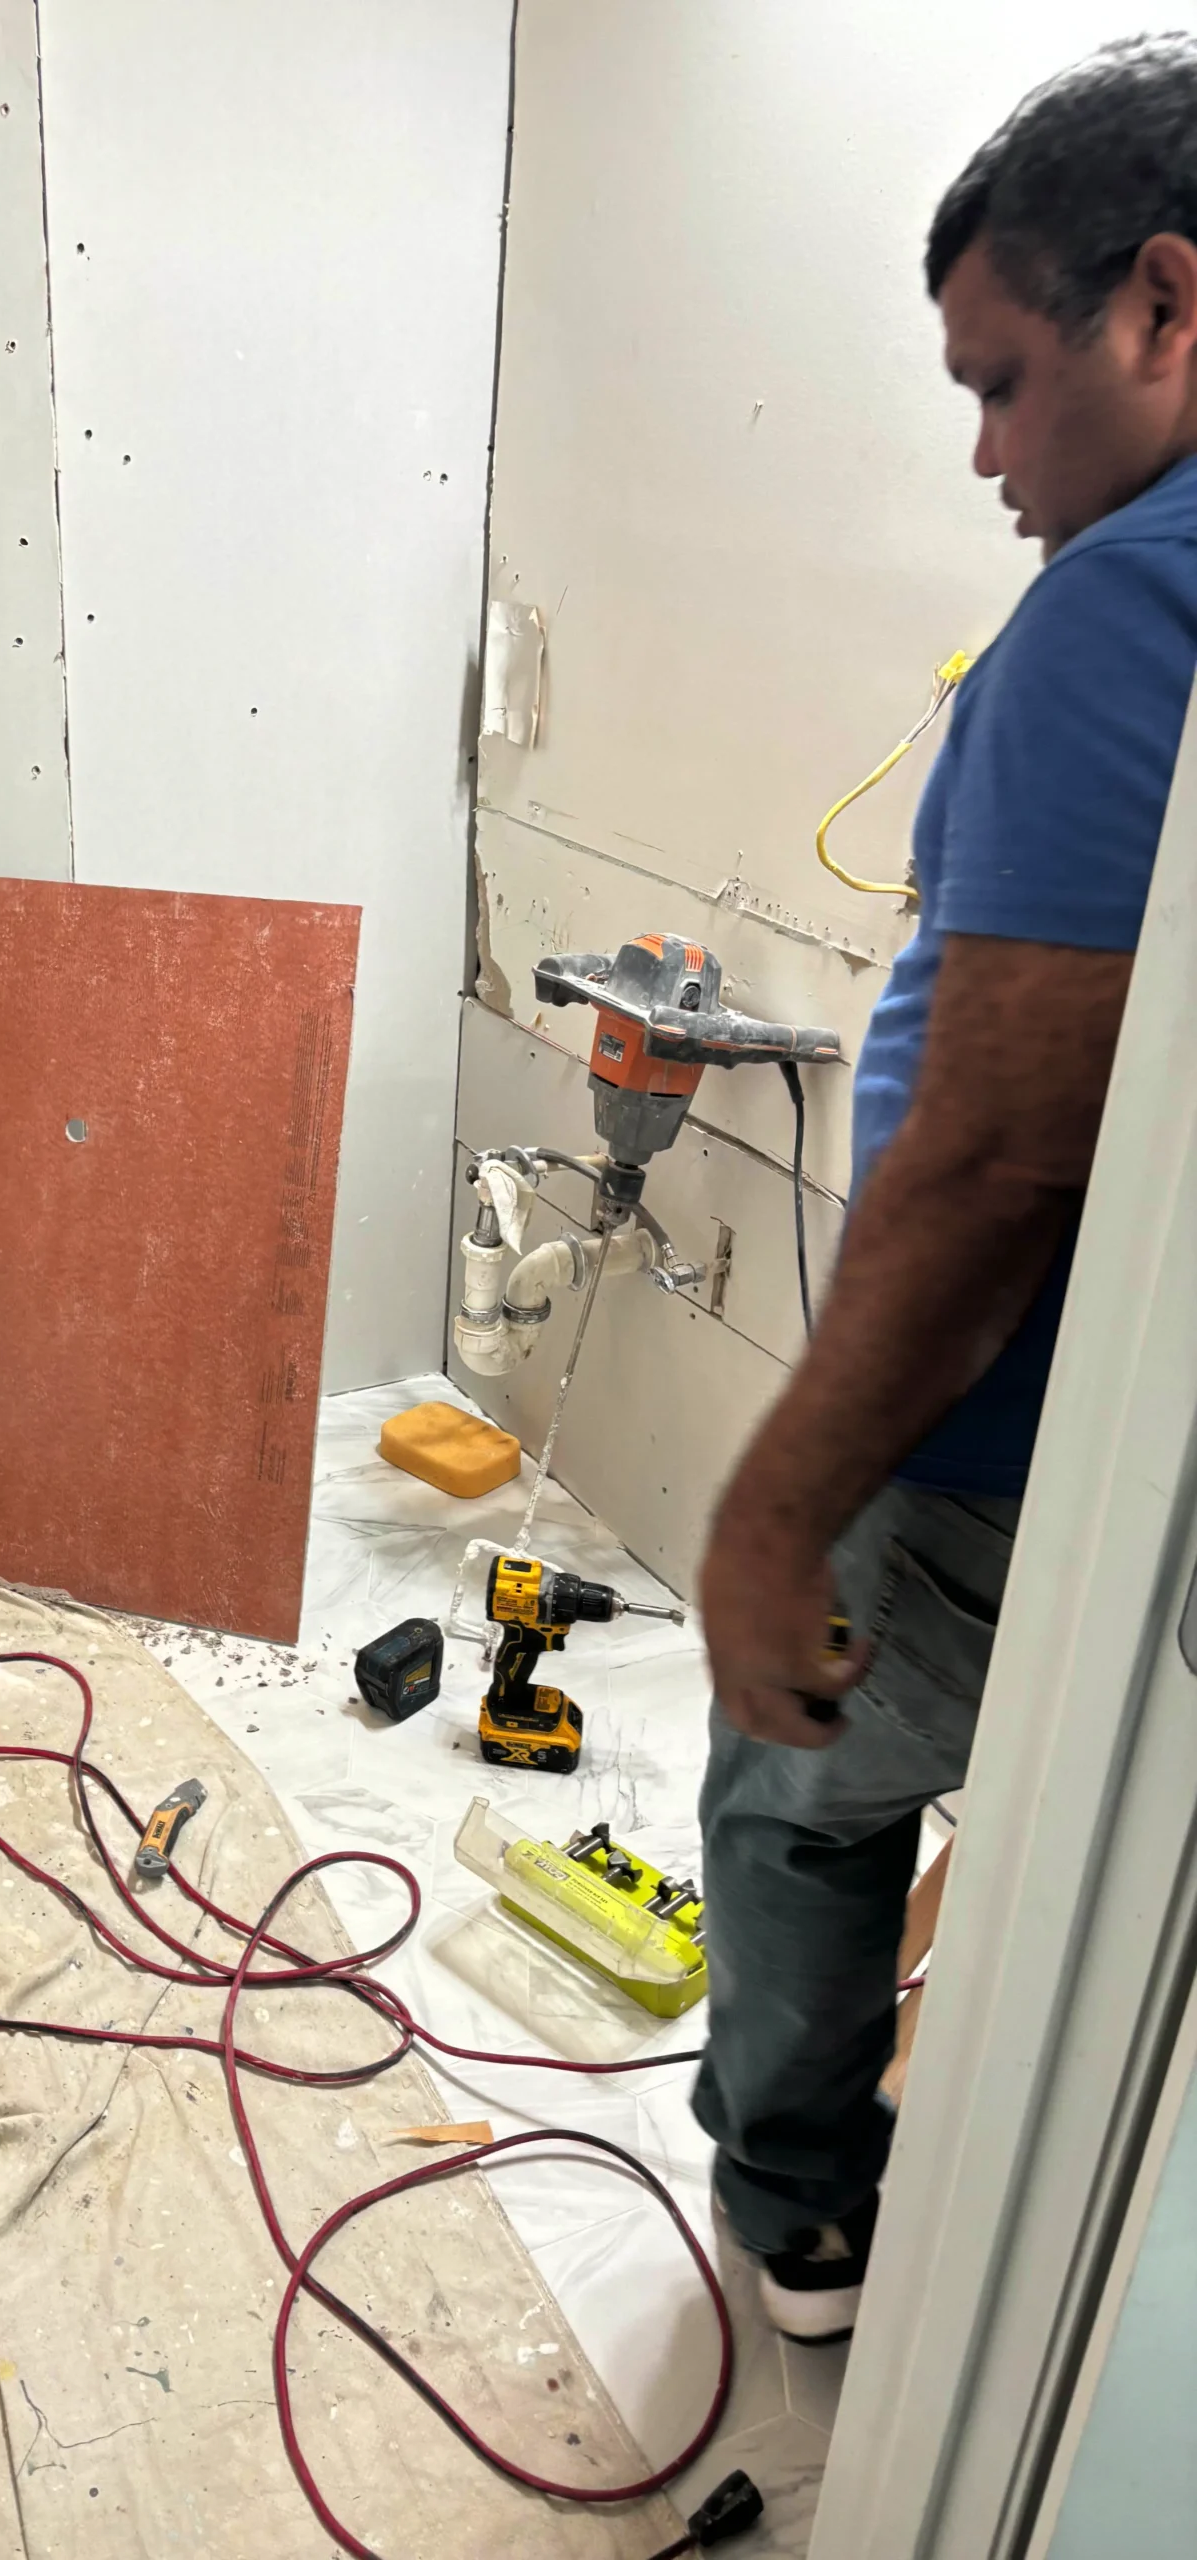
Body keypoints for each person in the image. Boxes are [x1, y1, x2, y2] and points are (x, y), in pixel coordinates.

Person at [694, 33, 1197, 2344]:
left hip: (981, 1434)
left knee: (798, 1790)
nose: (987, 452)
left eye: (1004, 380)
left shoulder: (1126, 605)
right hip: (1110, 1439)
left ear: (1163, 304)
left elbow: (997, 1150)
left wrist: (769, 1509)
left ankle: (801, 2207)